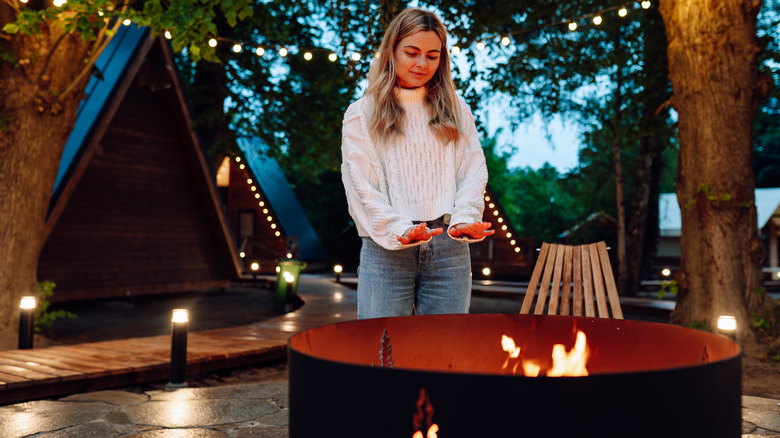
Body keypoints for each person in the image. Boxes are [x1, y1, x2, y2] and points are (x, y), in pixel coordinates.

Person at [341, 8, 493, 319]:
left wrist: (464, 218)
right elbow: (362, 188)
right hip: (385, 248)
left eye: (432, 55)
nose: (422, 64)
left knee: (446, 355)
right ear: (391, 52)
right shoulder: (360, 114)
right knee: (381, 352)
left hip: (449, 251)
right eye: (411, 52)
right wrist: (398, 230)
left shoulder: (457, 110)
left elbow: (473, 171)